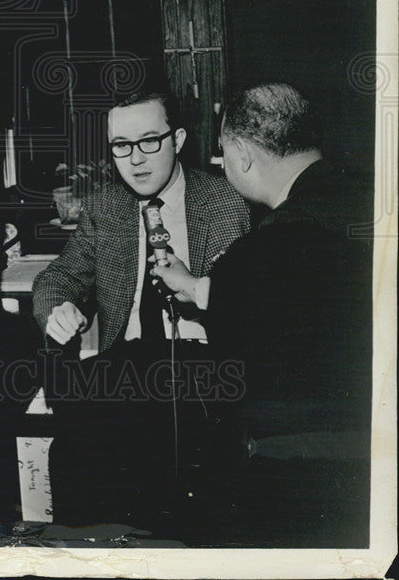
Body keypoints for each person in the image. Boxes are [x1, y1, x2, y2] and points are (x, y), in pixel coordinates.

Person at [151, 82, 372, 546]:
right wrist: (197, 286)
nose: (222, 166)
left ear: (244, 155)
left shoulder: (267, 246)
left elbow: (247, 355)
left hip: (306, 480)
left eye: (223, 155)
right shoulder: (369, 197)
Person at [31, 88, 250, 527]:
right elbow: (57, 278)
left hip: (201, 372)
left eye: (150, 141)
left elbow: (244, 308)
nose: (136, 159)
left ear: (179, 140)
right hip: (125, 368)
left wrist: (195, 287)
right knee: (74, 452)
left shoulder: (225, 202)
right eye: (121, 146)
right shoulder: (106, 208)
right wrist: (59, 309)